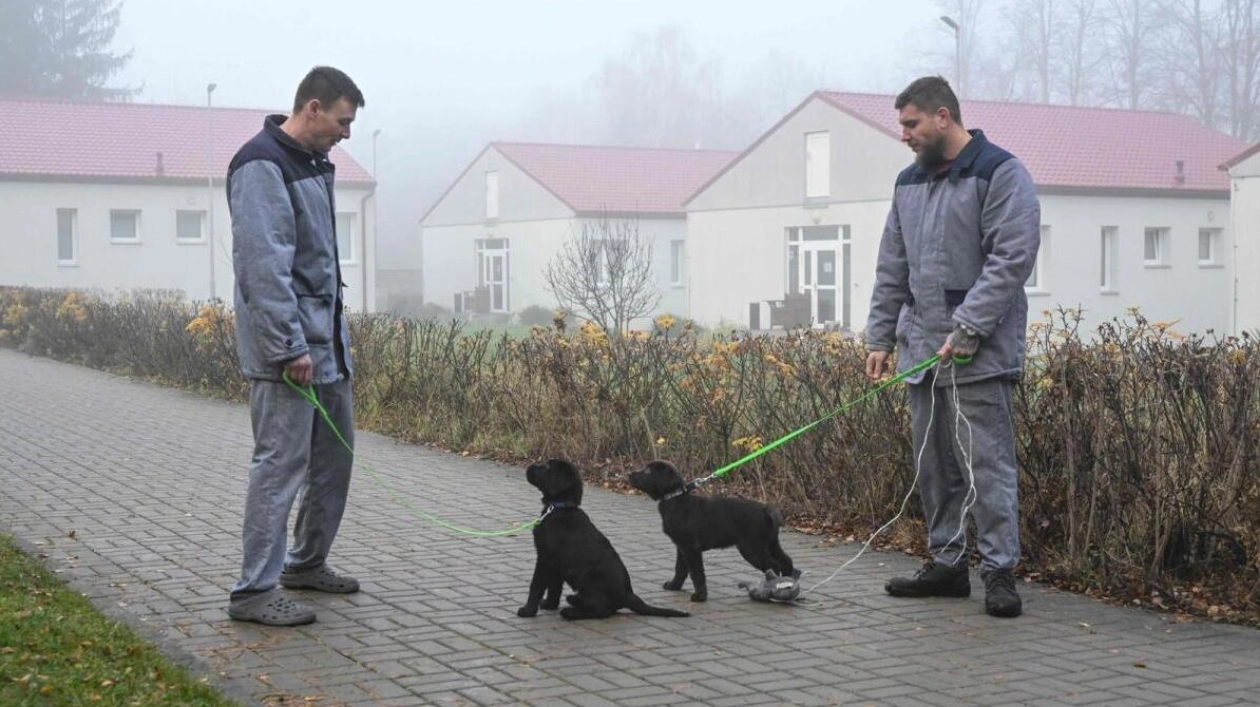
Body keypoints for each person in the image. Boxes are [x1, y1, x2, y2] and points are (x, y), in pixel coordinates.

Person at [864, 76, 1040, 618]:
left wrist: (967, 329)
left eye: (911, 123)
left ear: (943, 117)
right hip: (921, 355)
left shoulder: (1001, 173)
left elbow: (1011, 259)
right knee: (935, 468)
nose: (905, 135)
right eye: (902, 125)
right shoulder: (907, 184)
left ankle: (999, 572)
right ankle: (947, 565)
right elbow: (893, 264)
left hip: (979, 358)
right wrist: (879, 335)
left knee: (988, 470)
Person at [225, 66, 365, 626]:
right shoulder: (262, 164)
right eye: (342, 121)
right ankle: (254, 591)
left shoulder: (311, 164)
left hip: (326, 350)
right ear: (312, 108)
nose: (346, 134)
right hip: (288, 355)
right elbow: (265, 266)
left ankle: (306, 564)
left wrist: (325, 343)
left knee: (335, 460)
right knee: (279, 467)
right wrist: (288, 347)